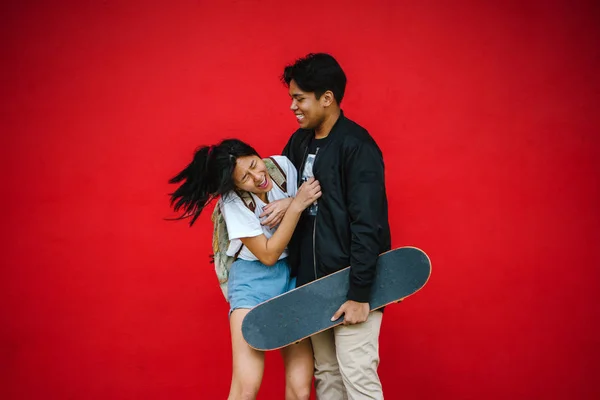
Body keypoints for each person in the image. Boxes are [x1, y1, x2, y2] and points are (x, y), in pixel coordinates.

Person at [168, 138, 321, 400]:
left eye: (254, 164)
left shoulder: (282, 167)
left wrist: (288, 202)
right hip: (253, 282)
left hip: (294, 275)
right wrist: (295, 205)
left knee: (300, 387)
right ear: (235, 185)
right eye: (245, 178)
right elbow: (269, 254)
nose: (257, 177)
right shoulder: (233, 203)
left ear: (257, 154)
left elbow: (314, 192)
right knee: (246, 387)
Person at [279, 53, 391, 399]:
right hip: (312, 286)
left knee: (357, 377)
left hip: (351, 287)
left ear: (327, 98)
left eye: (300, 99)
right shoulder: (299, 143)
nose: (293, 107)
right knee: (327, 376)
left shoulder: (356, 146)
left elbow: (367, 224)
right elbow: (283, 198)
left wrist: (360, 295)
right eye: (291, 99)